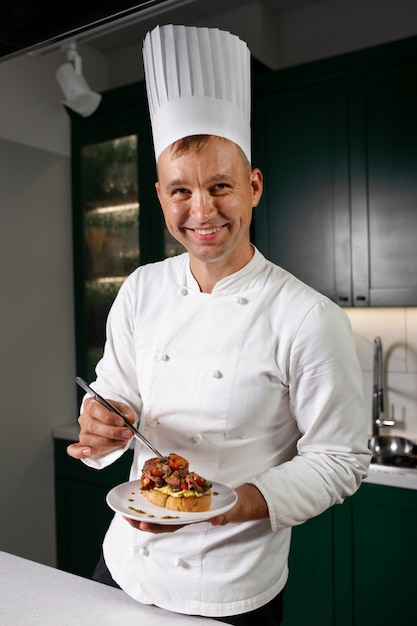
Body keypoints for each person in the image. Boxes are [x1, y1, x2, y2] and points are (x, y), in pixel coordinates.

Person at [67, 25, 371, 626]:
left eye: (220, 186)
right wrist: (104, 427)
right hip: (124, 566)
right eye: (181, 190)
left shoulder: (306, 316)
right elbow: (117, 396)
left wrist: (235, 506)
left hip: (230, 590)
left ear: (253, 187)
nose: (201, 212)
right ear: (159, 196)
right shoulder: (140, 288)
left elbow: (340, 458)